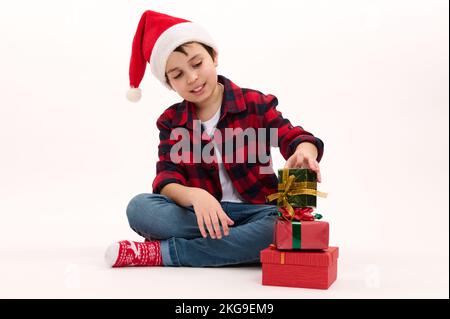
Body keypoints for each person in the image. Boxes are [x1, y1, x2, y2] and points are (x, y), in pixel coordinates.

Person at [104, 10, 324, 267]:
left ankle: (163, 253)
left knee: (280, 226)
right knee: (140, 209)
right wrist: (196, 196)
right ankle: (239, 248)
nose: (192, 78)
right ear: (169, 83)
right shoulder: (171, 121)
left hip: (258, 211)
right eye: (177, 75)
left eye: (197, 64)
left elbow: (295, 137)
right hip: (198, 215)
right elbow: (167, 179)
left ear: (214, 56)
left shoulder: (254, 103)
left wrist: (305, 151)